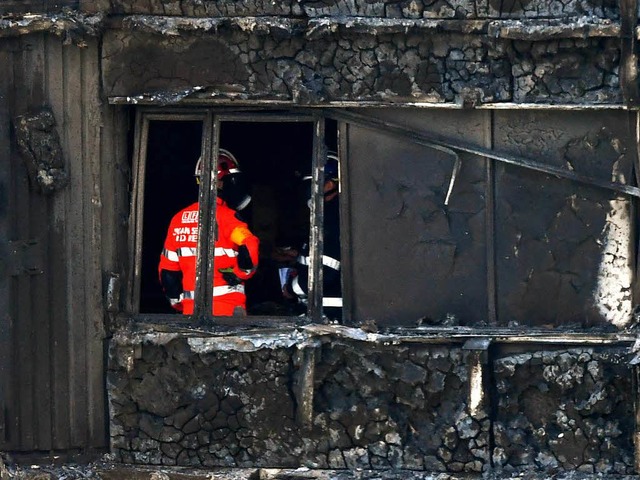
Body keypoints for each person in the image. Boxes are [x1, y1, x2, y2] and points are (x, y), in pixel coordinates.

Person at [158, 149, 260, 316]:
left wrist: (178, 303)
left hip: (191, 312)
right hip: (228, 311)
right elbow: (249, 245)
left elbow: (168, 271)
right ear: (222, 183)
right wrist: (240, 274)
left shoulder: (178, 219)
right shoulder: (229, 218)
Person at [282, 152, 342, 320]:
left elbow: (324, 274)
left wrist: (291, 288)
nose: (307, 190)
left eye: (311, 184)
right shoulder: (325, 215)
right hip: (321, 312)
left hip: (330, 315)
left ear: (330, 185)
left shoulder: (331, 218)